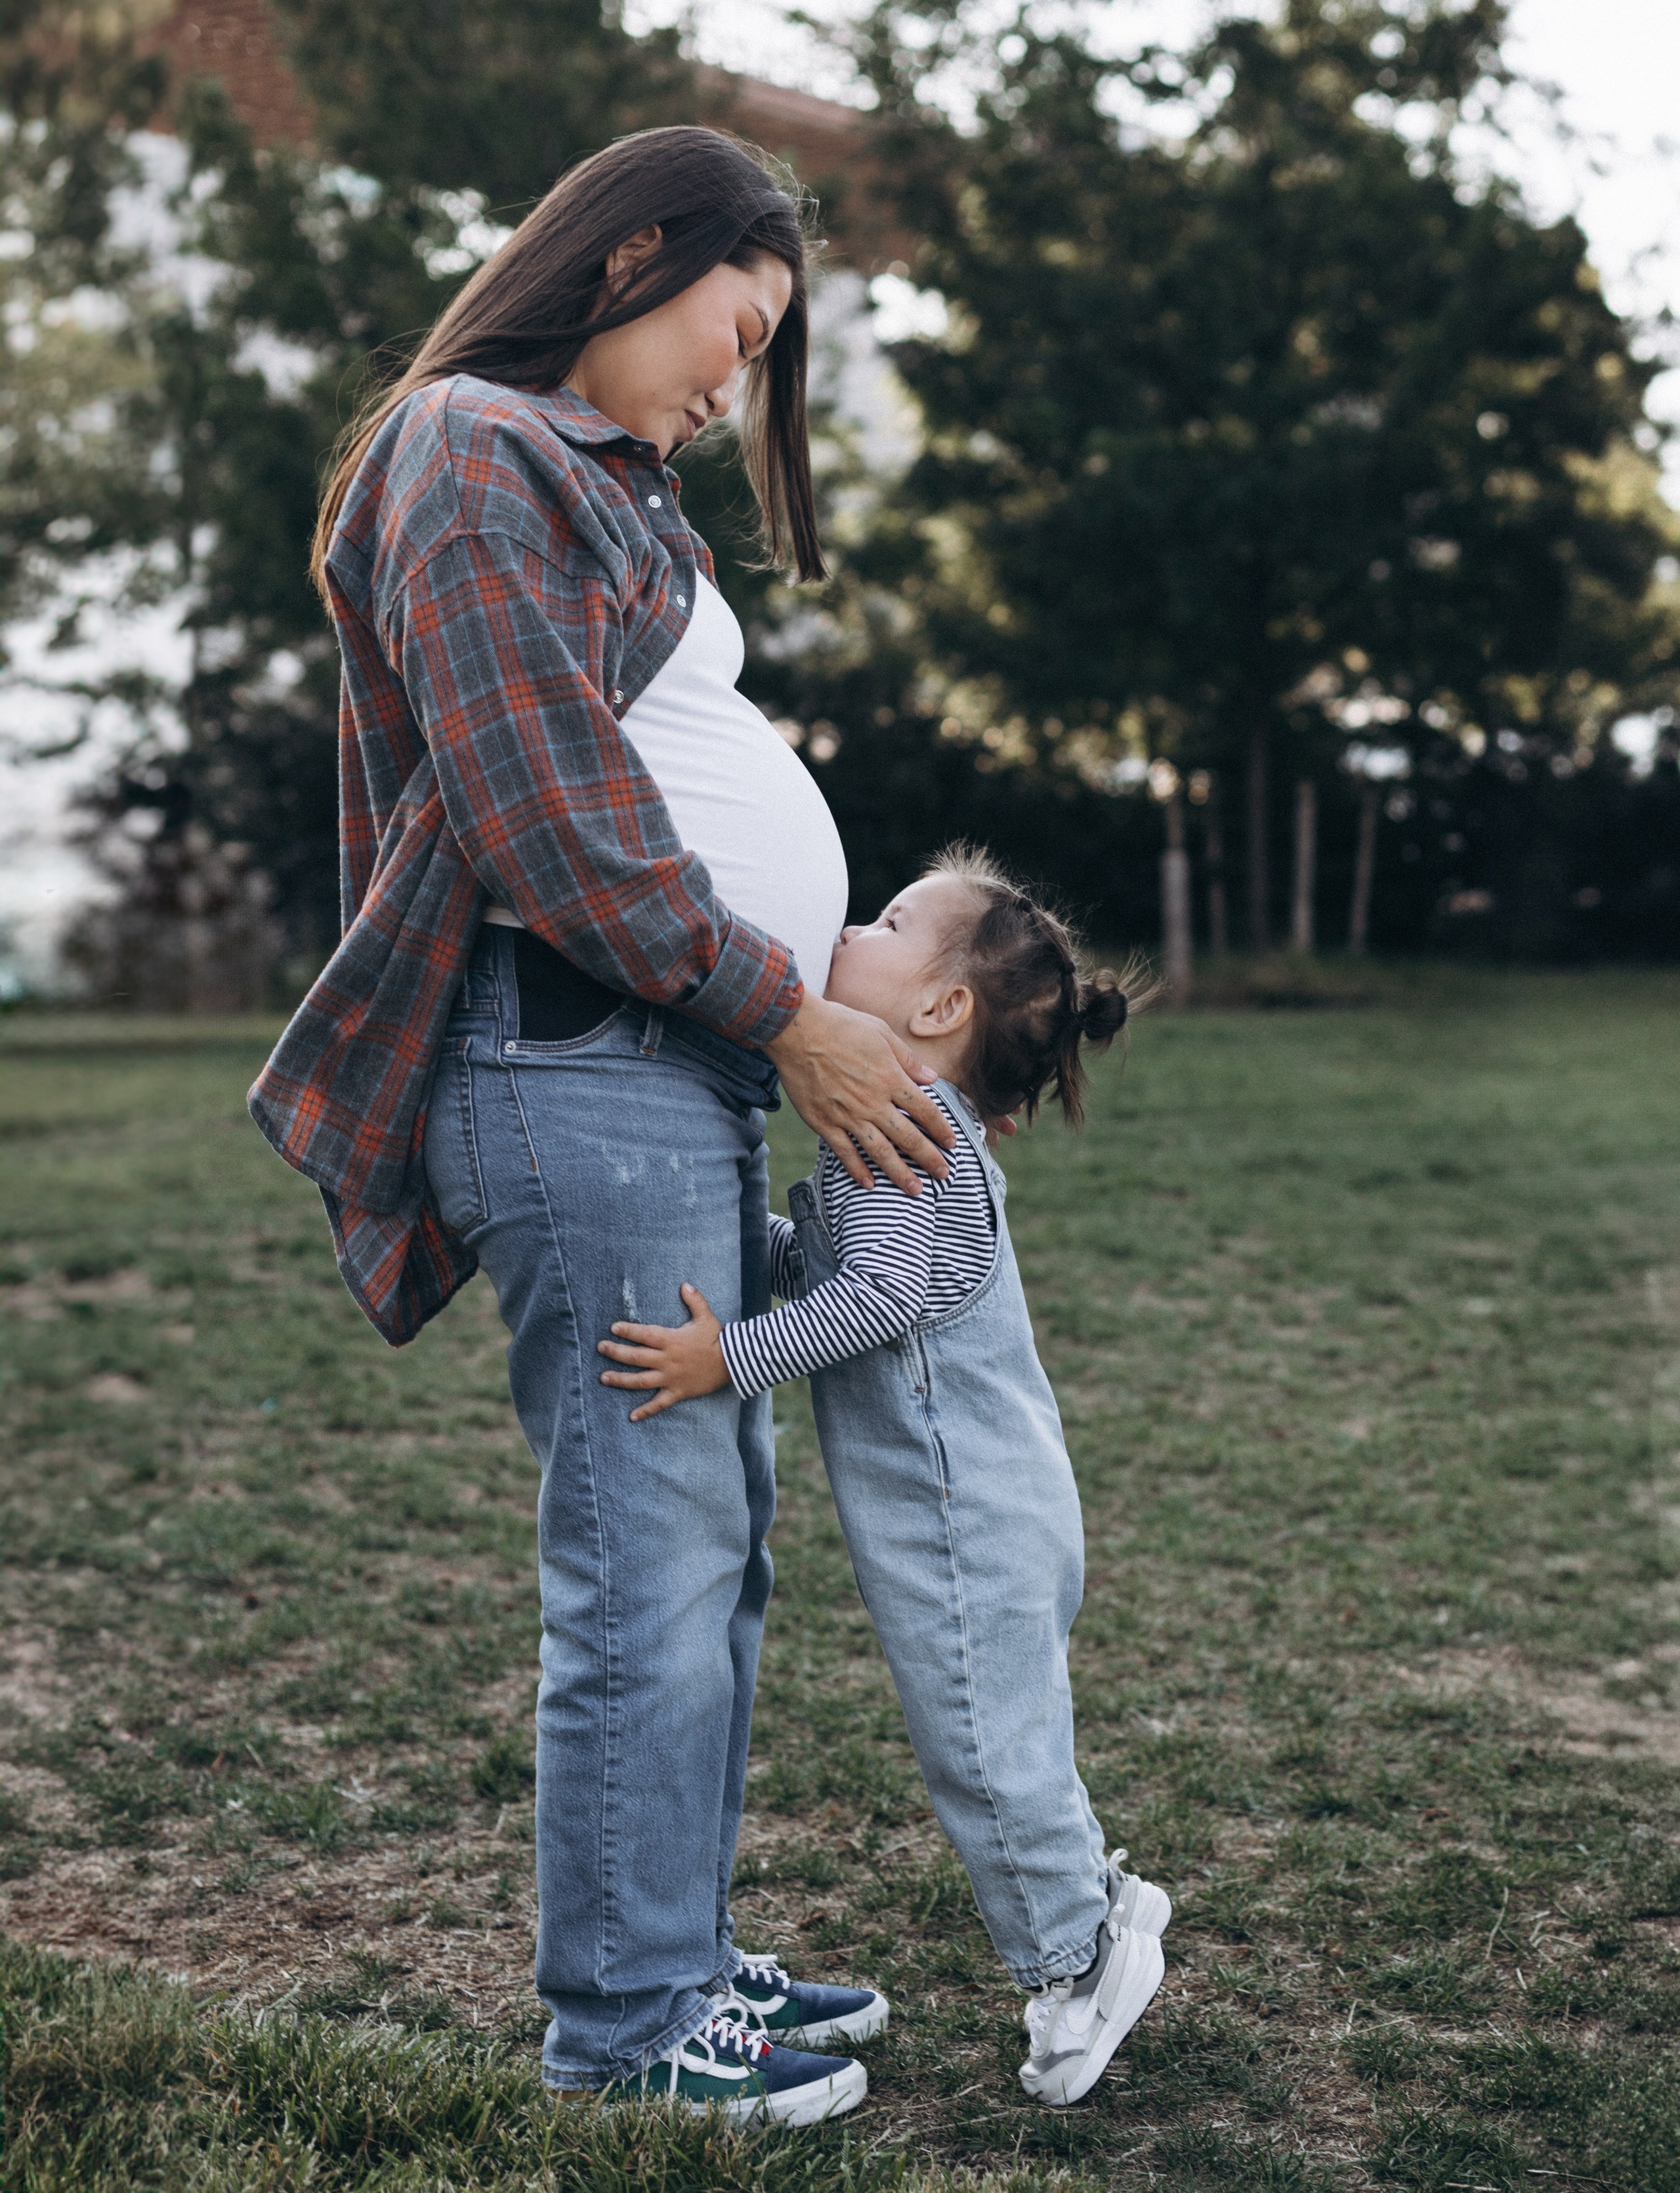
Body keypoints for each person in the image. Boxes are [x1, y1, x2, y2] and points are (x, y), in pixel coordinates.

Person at [248, 126, 957, 2125]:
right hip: (573, 1064)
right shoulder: (469, 446)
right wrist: (789, 1018)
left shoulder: (602, 488)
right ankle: (628, 2029)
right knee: (644, 1562)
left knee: (703, 1553)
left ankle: (677, 1960)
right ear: (635, 249)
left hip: (652, 1073)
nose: (733, 388)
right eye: (731, 332)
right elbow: (545, 814)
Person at [597, 845, 1171, 2108]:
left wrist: (723, 1358)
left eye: (887, 919)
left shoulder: (909, 1136)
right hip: (978, 1506)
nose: (849, 926)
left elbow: (883, 1296)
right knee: (1002, 1730)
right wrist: (735, 1242)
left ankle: (1078, 1960)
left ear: (938, 1008)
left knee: (981, 1741)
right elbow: (850, 1263)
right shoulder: (907, 1134)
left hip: (967, 1519)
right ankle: (1101, 1902)